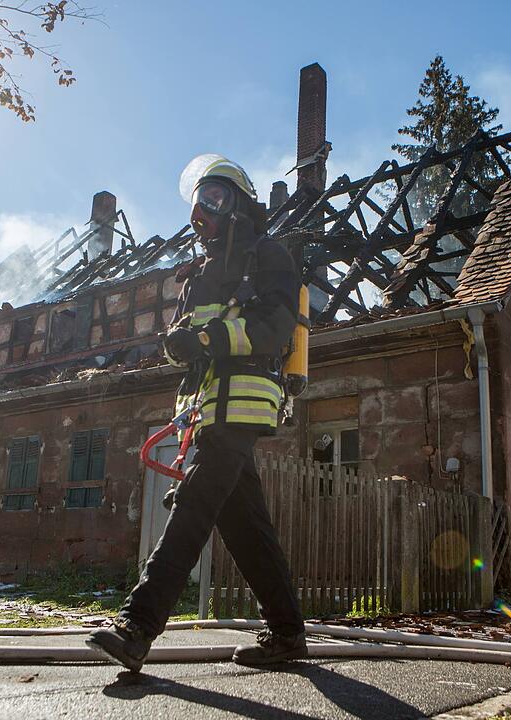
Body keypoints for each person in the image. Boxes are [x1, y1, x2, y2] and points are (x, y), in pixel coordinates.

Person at [86, 155, 306, 672]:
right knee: (244, 525)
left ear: (239, 205)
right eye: (197, 201)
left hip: (243, 399)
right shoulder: (199, 276)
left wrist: (206, 340)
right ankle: (287, 633)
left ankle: (138, 626)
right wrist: (179, 345)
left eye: (214, 197)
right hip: (205, 407)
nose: (201, 211)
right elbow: (187, 346)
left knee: (194, 504)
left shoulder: (267, 255)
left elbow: (274, 327)